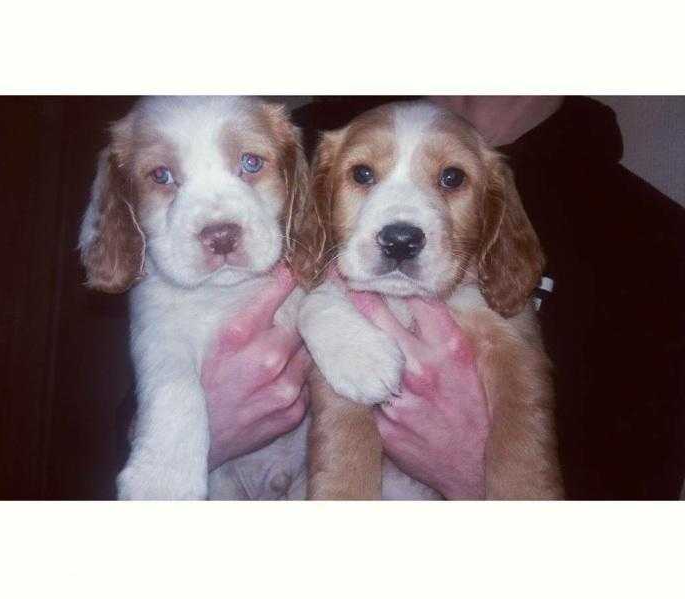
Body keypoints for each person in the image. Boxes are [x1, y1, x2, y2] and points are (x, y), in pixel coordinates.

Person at [184, 96, 685, 499]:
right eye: (362, 175)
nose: (401, 230)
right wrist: (198, 428)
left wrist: (470, 472)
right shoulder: (281, 146)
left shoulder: (661, 243)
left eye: (451, 179)